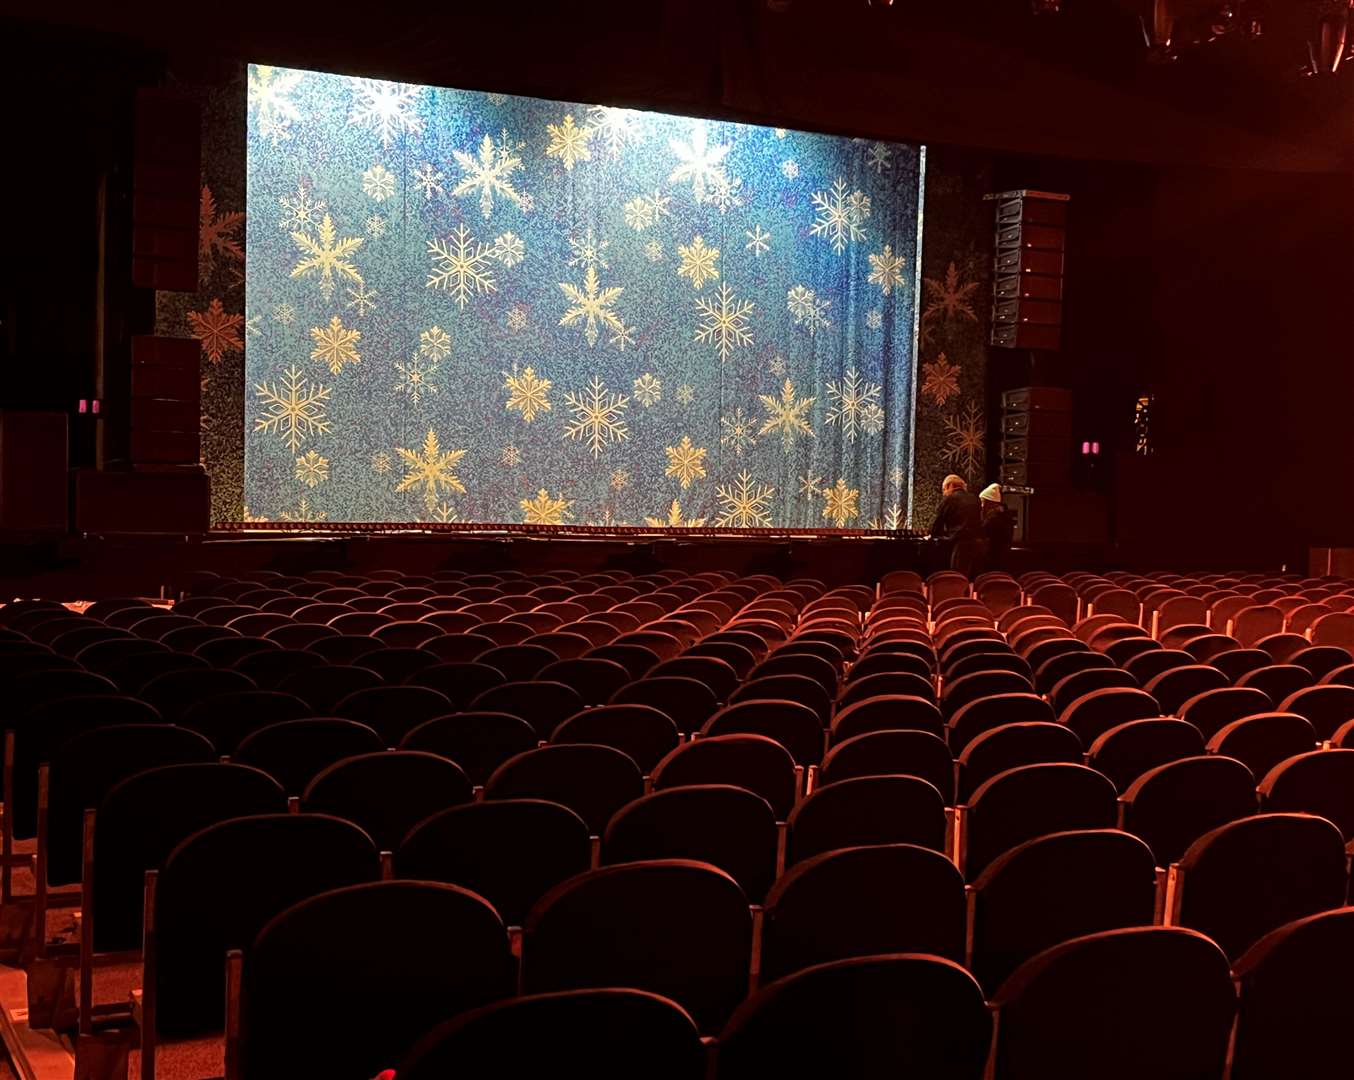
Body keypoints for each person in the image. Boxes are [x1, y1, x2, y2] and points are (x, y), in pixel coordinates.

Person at [929, 474, 983, 577]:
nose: (944, 493)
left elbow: (939, 521)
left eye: (944, 489)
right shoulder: (974, 498)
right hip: (978, 543)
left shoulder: (950, 499)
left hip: (961, 543)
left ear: (950, 486)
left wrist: (934, 536)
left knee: (957, 577)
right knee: (974, 579)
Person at [979, 483, 1016, 571]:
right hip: (1003, 556)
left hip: (993, 557)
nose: (982, 506)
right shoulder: (1005, 515)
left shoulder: (993, 518)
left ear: (990, 503)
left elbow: (983, 534)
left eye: (983, 501)